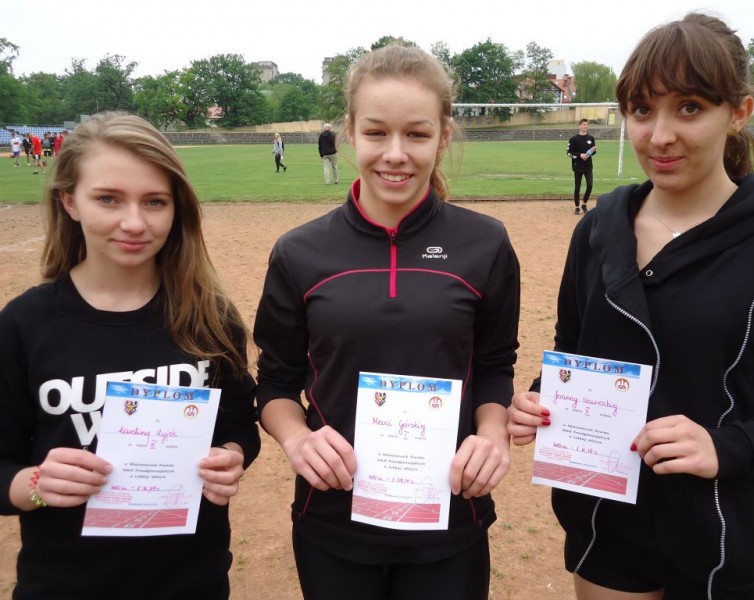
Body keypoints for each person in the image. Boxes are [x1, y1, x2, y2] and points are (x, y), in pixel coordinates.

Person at [508, 12, 754, 600]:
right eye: (642, 110)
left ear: (738, 112)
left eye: (689, 107)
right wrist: (542, 398)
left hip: (724, 534)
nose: (659, 135)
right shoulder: (598, 230)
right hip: (607, 523)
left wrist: (727, 446)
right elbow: (574, 347)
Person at [253, 44, 520, 600]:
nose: (395, 154)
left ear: (443, 137)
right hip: (333, 516)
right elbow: (275, 383)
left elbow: (495, 367)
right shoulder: (299, 252)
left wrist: (493, 434)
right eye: (376, 133)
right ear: (350, 132)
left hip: (450, 514)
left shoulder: (486, 243)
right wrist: (297, 439)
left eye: (417, 134)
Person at [0, 111, 261, 599]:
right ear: (69, 201)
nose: (135, 223)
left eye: (155, 201)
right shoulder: (24, 325)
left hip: (192, 582)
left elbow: (238, 424)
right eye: (108, 199)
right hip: (66, 585)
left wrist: (231, 455)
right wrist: (35, 484)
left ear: (176, 207)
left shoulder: (208, 315)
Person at [566, 118, 596, 214]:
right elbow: (569, 153)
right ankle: (577, 207)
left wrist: (592, 151)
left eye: (586, 124)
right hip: (577, 166)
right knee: (577, 187)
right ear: (580, 126)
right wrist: (580, 155)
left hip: (588, 166)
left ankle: (584, 204)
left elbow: (593, 152)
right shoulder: (573, 139)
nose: (585, 126)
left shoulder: (591, 138)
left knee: (590, 185)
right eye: (584, 124)